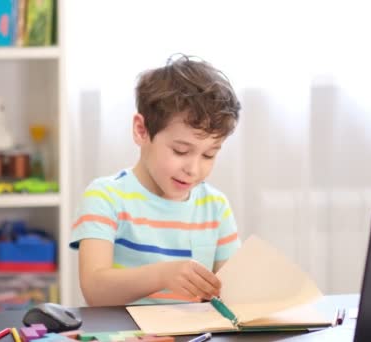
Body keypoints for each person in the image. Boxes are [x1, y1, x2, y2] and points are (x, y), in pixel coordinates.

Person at [70, 54, 242, 306]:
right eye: (180, 151)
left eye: (209, 154)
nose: (193, 169)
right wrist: (162, 275)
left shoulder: (215, 206)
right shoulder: (105, 196)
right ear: (141, 130)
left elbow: (235, 291)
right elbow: (95, 290)